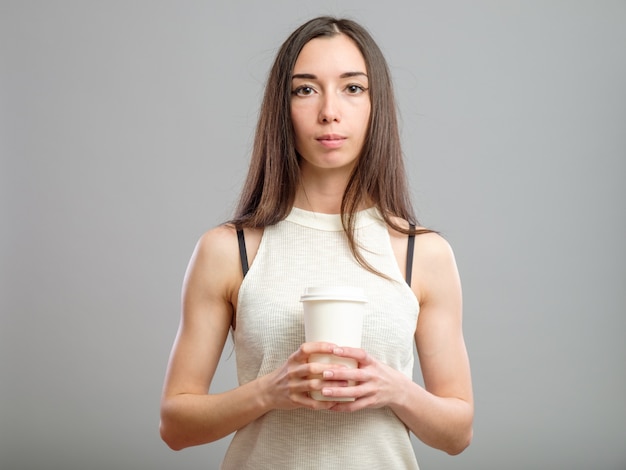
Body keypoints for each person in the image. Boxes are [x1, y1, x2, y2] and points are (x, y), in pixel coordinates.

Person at [159, 15, 473, 469]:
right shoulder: (230, 250)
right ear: (281, 107)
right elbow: (175, 425)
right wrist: (270, 391)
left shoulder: (421, 254)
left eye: (352, 88)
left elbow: (457, 432)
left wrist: (394, 389)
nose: (330, 110)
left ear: (376, 105)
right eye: (305, 89)